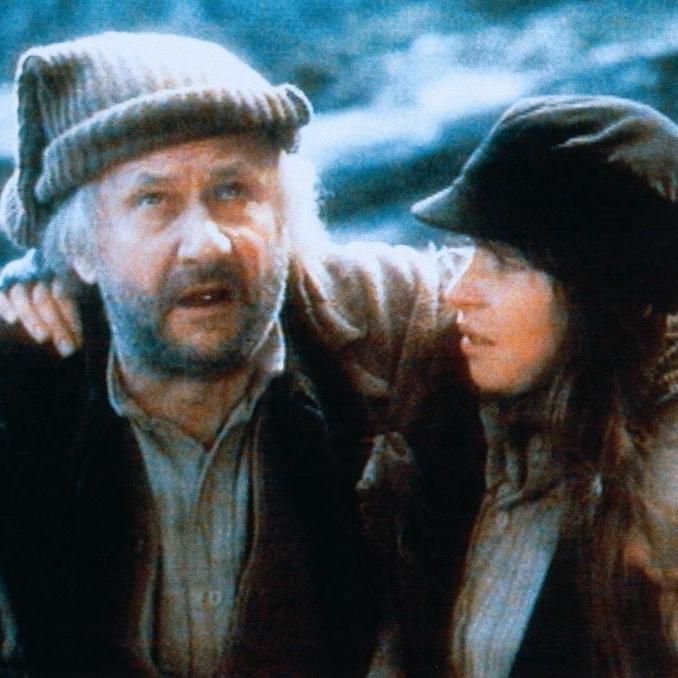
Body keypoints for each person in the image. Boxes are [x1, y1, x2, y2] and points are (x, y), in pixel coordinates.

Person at [0, 30, 487, 676]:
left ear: (284, 217)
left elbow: (572, 282)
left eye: (233, 190)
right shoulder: (24, 377)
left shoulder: (383, 314)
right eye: (153, 200)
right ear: (82, 250)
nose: (206, 244)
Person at [365, 95, 678, 676]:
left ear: (596, 290)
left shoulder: (664, 493)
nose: (458, 291)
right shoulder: (450, 427)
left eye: (503, 263)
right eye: (469, 253)